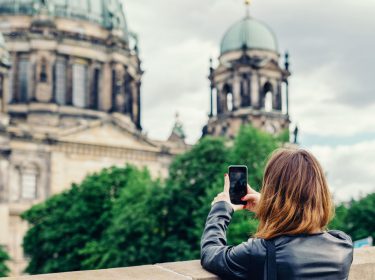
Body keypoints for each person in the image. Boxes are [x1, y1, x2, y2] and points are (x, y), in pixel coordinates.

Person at [201, 148, 353, 280]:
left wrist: (221, 208)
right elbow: (306, 225)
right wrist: (269, 207)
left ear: (273, 190)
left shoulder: (261, 251)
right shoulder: (343, 245)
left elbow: (210, 253)